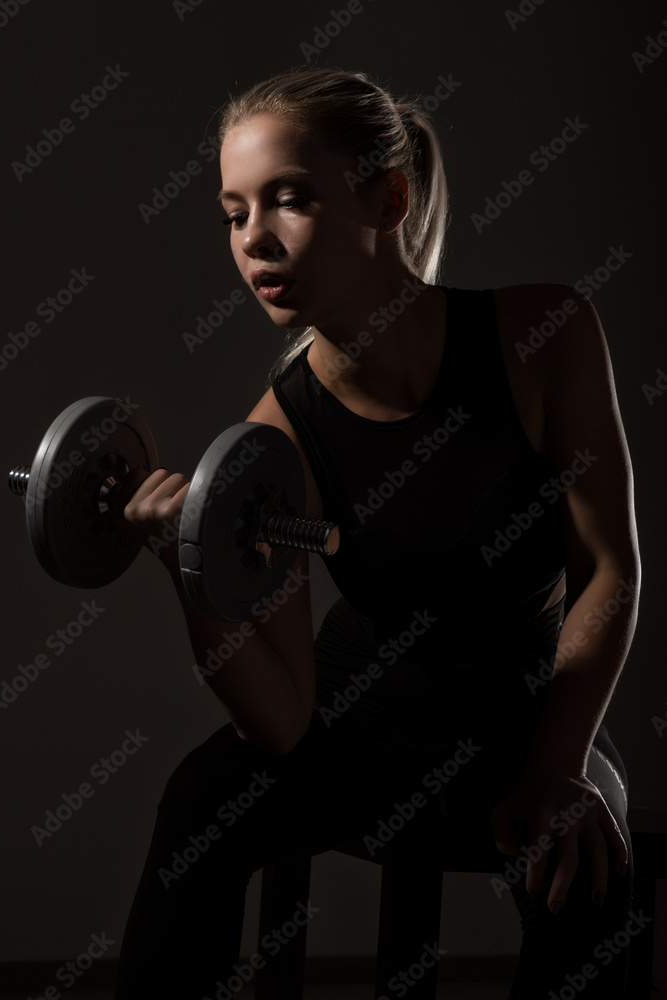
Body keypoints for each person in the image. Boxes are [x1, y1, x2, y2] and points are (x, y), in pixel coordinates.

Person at [113, 67, 640, 998]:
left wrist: (557, 769)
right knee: (204, 794)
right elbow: (280, 723)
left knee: (586, 864)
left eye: (289, 199)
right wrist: (184, 562)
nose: (254, 241)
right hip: (366, 729)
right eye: (232, 214)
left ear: (388, 198)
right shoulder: (276, 435)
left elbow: (606, 569)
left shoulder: (546, 336)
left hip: (529, 714)